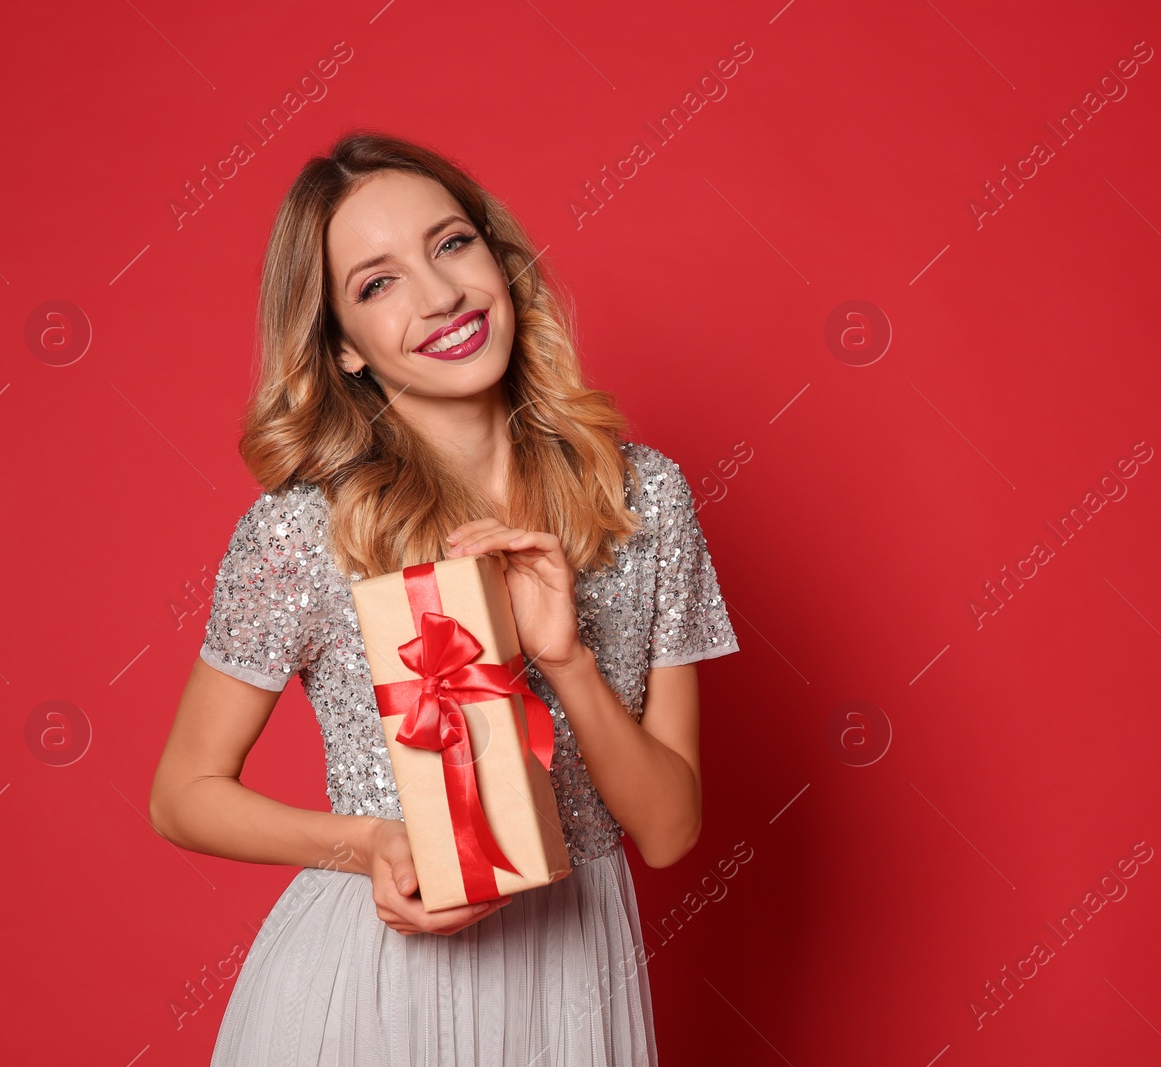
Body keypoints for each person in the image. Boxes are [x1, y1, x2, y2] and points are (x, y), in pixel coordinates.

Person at [148, 129, 741, 1066]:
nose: (439, 296)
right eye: (377, 283)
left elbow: (669, 832)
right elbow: (181, 794)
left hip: (577, 985)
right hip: (375, 989)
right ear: (342, 347)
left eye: (451, 243)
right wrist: (369, 844)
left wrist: (567, 661)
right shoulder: (308, 530)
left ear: (499, 261)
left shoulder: (644, 498)